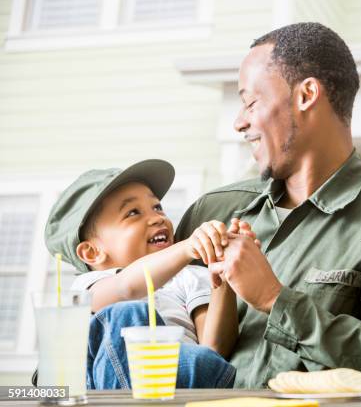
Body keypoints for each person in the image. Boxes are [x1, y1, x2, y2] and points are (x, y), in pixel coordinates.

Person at [175, 22, 361, 389]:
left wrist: (276, 300)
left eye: (250, 102)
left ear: (306, 94)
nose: (239, 121)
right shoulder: (212, 211)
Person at [44, 159, 255, 389]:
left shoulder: (191, 275)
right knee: (129, 313)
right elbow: (128, 286)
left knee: (203, 360)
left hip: (176, 379)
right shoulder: (91, 285)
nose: (157, 218)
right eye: (133, 212)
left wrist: (223, 275)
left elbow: (214, 348)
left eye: (157, 207)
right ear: (92, 252)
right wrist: (185, 247)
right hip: (109, 380)